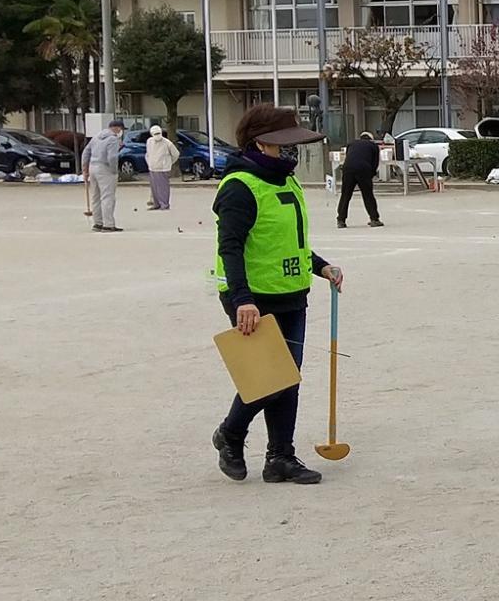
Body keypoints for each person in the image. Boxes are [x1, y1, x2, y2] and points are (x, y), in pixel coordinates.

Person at [209, 105, 345, 485]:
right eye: (284, 145)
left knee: (289, 377)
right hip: (252, 297)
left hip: (290, 292)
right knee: (270, 378)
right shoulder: (239, 186)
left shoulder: (287, 181)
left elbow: (290, 242)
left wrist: (320, 266)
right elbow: (230, 248)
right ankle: (231, 435)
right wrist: (242, 300)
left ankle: (279, 458)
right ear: (259, 143)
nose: (292, 152)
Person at [80, 119, 126, 232]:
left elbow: (85, 152)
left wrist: (85, 169)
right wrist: (114, 170)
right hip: (105, 168)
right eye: (121, 129)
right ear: (117, 128)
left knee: (96, 196)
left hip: (93, 167)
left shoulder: (96, 137)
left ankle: (97, 223)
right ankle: (108, 224)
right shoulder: (113, 139)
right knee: (107, 197)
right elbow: (112, 157)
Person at [337, 131, 383, 229]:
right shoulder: (373, 146)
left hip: (348, 169)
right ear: (371, 139)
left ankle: (341, 220)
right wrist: (371, 175)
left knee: (345, 195)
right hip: (363, 169)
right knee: (368, 195)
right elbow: (375, 163)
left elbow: (349, 157)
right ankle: (374, 219)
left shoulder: (351, 144)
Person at [144, 125, 179, 211]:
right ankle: (156, 204)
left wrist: (169, 163)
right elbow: (148, 153)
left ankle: (164, 204)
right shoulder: (149, 141)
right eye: (155, 133)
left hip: (163, 169)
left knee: (163, 188)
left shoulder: (167, 143)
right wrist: (149, 162)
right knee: (154, 188)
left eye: (158, 133)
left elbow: (176, 154)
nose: (157, 135)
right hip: (152, 168)